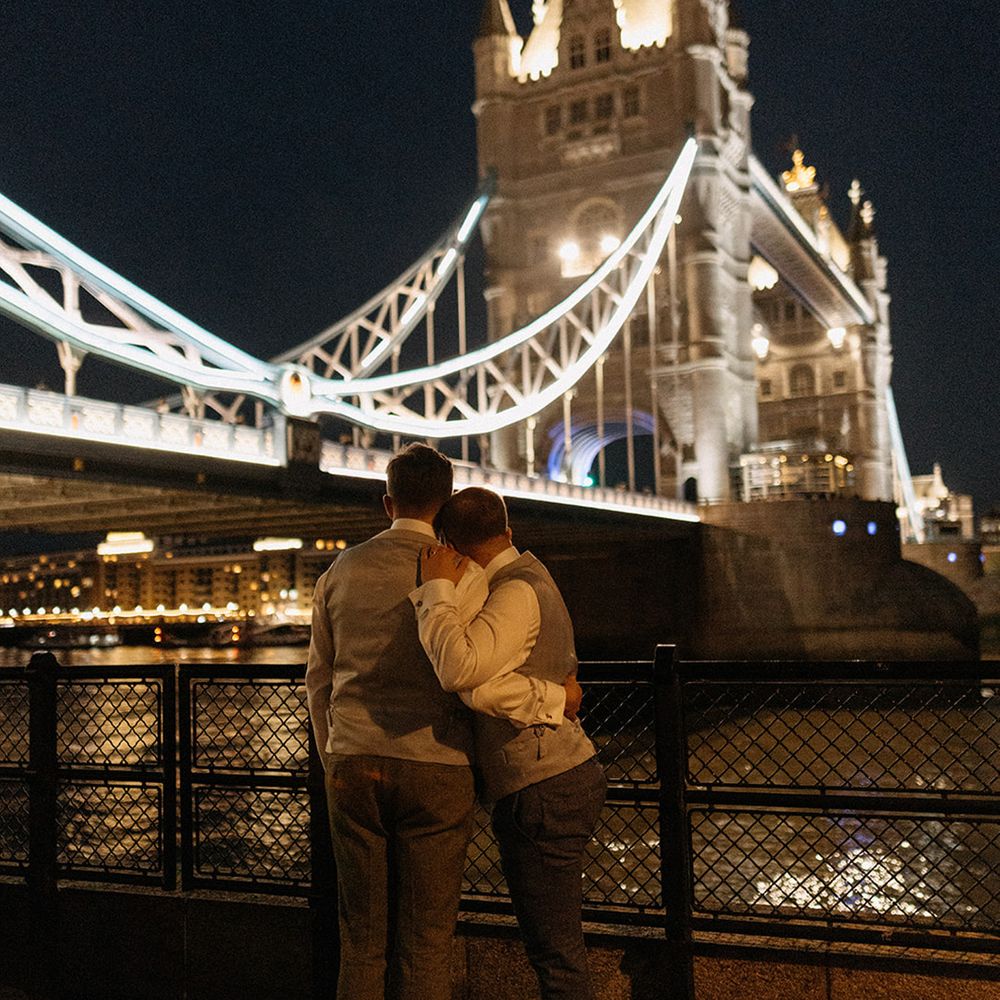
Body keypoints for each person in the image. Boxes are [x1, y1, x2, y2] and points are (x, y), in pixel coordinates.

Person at [305, 444, 575, 1000]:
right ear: (447, 501)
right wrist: (554, 695)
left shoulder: (340, 569)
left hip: (353, 763)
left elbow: (319, 680)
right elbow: (472, 671)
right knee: (426, 945)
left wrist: (333, 754)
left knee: (360, 943)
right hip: (438, 765)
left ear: (387, 503)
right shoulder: (465, 577)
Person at [410, 487, 606, 1000]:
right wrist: (552, 694)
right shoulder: (530, 577)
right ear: (508, 529)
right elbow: (480, 678)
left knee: (554, 953)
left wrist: (436, 590)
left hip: (543, 783)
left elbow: (458, 670)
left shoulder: (514, 593)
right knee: (554, 946)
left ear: (451, 544)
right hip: (554, 778)